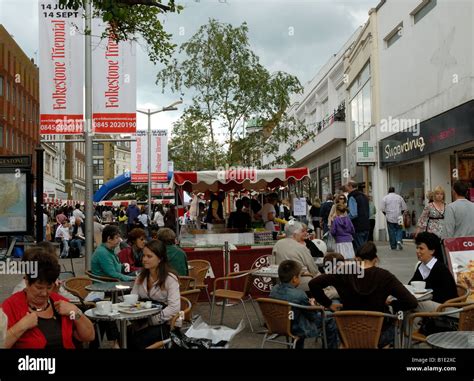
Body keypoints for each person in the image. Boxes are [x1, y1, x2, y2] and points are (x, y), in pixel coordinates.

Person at [309, 242, 418, 348]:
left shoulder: (343, 272)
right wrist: (393, 303)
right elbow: (411, 302)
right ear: (376, 259)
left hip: (347, 331)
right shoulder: (385, 276)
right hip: (379, 334)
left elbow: (313, 284)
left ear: (356, 259)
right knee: (396, 322)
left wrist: (328, 304)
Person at [2, 249, 95, 348]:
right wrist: (21, 326)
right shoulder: (10, 307)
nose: (44, 293)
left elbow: (88, 336)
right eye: (39, 287)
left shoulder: (59, 302)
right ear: (27, 282)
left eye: (49, 287)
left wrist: (76, 312)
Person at [269, 260, 338, 349]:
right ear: (294, 279)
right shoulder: (300, 294)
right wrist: (315, 306)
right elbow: (312, 317)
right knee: (331, 317)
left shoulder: (274, 289)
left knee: (298, 314)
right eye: (300, 276)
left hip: (278, 324)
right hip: (297, 327)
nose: (300, 278)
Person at [128, 240, 180, 349]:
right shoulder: (141, 277)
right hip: (141, 323)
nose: (144, 259)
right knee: (121, 336)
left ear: (160, 259)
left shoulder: (170, 279)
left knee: (134, 341)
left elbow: (174, 308)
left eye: (149, 256)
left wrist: (151, 320)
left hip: (164, 324)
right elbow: (133, 298)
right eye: (143, 256)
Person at [409, 232, 457, 308]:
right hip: (429, 306)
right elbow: (411, 285)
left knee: (415, 304)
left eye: (421, 248)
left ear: (432, 251)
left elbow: (444, 296)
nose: (417, 251)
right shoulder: (421, 266)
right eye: (417, 248)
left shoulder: (440, 269)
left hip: (446, 308)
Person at [272, 220, 319, 291]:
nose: (303, 234)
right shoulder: (301, 247)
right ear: (295, 234)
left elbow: (273, 265)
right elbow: (314, 270)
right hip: (299, 283)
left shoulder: (277, 244)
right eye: (301, 232)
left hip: (281, 282)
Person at [346, 181, 370, 252]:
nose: (346, 188)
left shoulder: (352, 196)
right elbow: (369, 212)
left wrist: (344, 219)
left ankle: (362, 262)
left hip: (357, 226)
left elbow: (353, 214)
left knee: (360, 249)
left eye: (347, 186)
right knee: (364, 247)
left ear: (350, 186)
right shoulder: (364, 196)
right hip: (366, 225)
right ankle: (365, 261)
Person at [381, 186, 407, 251]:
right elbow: (404, 207)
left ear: (388, 191)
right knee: (399, 229)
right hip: (399, 216)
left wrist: (386, 215)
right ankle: (399, 240)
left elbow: (382, 209)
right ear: (394, 191)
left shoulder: (385, 198)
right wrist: (401, 213)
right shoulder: (399, 197)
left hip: (389, 217)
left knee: (391, 231)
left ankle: (393, 246)